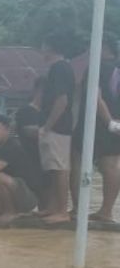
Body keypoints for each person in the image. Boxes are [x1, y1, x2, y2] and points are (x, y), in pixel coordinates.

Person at [71, 41, 120, 224]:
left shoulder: (96, 68)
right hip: (116, 125)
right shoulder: (117, 68)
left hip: (96, 124)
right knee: (112, 166)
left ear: (103, 48)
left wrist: (108, 122)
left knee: (77, 160)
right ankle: (106, 212)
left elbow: (95, 97)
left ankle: (78, 208)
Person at [38, 31, 77, 224]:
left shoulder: (60, 68)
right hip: (56, 126)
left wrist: (47, 126)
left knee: (60, 169)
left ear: (51, 48)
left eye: (43, 46)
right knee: (54, 168)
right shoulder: (61, 68)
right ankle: (54, 207)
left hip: (58, 127)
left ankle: (62, 211)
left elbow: (62, 100)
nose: (41, 51)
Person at [12, 79, 45, 210]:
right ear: (37, 90)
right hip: (30, 162)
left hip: (44, 161)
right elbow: (30, 133)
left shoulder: (46, 112)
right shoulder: (26, 111)